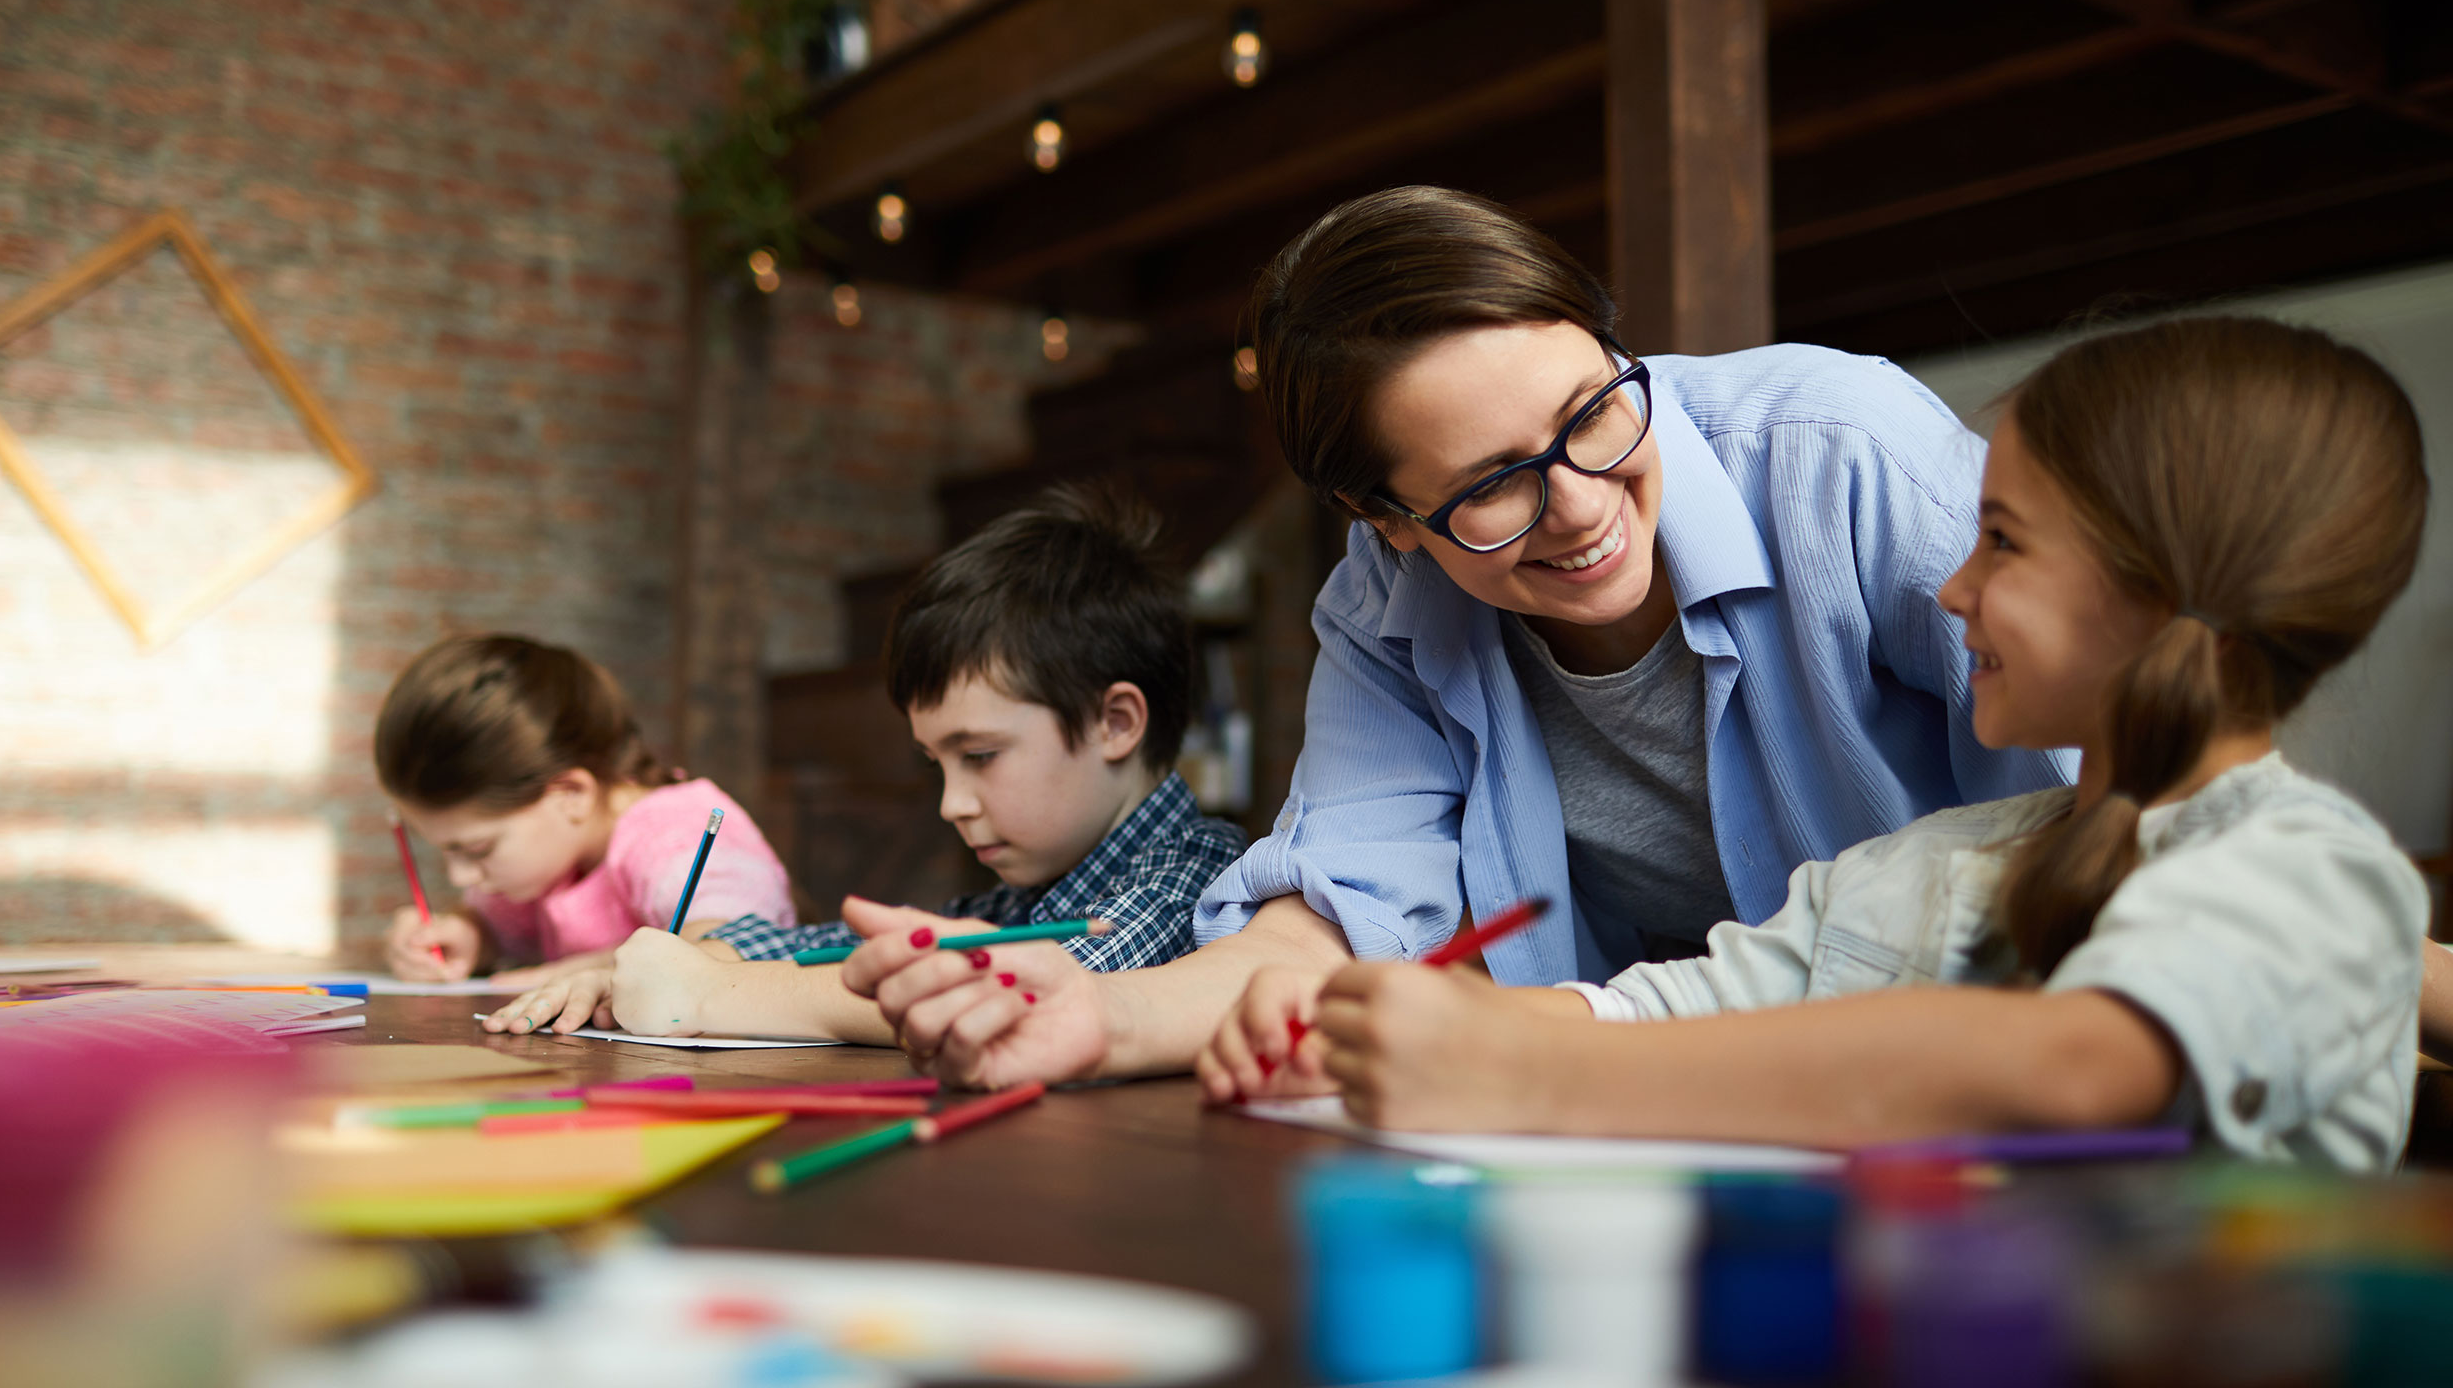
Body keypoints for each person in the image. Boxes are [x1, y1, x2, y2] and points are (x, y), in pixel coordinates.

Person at [844, 185, 2070, 1089]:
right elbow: (1336, 914)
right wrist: (1099, 1017)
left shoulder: (1845, 460)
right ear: (1383, 523)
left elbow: (2131, 794)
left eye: (1592, 410)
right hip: (1668, 1091)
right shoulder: (1386, 606)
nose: (1583, 502)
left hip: (1988, 1059)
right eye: (1493, 484)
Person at [1309, 317, 2429, 1170]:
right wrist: (1383, 1027)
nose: (1950, 586)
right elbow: (1674, 1005)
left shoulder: (2308, 870)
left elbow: (2075, 1069)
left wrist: (1530, 1070)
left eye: (2001, 541)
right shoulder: (1931, 864)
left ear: (2152, 586)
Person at [481, 485, 1247, 1043]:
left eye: (979, 755)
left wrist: (713, 993)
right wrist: (675, 960)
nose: (952, 804)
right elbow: (840, 949)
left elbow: (1024, 998)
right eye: (936, 764)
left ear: (1116, 722)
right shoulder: (1030, 897)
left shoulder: (1194, 875)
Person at [376, 634, 793, 985]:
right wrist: (467, 936)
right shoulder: (549, 855)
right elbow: (502, 931)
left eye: (479, 849)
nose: (460, 876)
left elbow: (732, 945)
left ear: (571, 794)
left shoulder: (677, 833)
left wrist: (564, 975)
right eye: (446, 850)